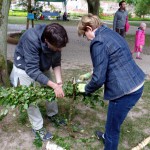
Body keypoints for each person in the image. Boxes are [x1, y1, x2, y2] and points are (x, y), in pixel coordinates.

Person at [77, 13, 145, 150]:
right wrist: (90, 72)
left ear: (89, 28)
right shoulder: (109, 33)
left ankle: (109, 142)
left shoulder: (97, 41)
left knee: (112, 128)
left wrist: (86, 89)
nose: (86, 38)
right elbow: (113, 57)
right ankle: (107, 138)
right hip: (137, 82)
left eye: (85, 35)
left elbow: (98, 80)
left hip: (124, 92)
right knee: (112, 124)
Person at [10, 23, 68, 141]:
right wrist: (54, 86)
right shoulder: (31, 38)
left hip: (42, 66)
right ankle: (37, 127)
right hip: (25, 68)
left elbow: (56, 63)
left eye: (60, 47)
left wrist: (58, 83)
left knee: (51, 89)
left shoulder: (56, 39)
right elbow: (31, 70)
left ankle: (52, 114)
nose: (59, 50)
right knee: (30, 97)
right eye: (57, 48)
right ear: (46, 40)